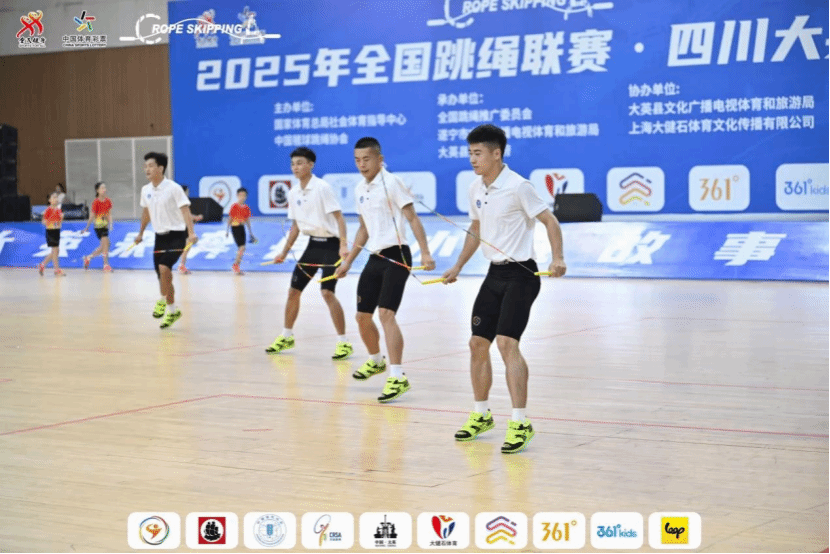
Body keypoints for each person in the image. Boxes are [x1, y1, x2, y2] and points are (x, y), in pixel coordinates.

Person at [441, 124, 566, 454]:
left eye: (478, 153)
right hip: (493, 274)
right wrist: (458, 266)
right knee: (477, 344)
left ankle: (521, 422)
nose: (472, 159)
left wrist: (558, 258)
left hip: (522, 275)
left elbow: (550, 221)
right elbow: (476, 228)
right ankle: (481, 415)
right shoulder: (476, 188)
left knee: (507, 344)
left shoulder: (518, 186)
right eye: (470, 153)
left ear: (497, 154)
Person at [333, 137, 436, 403]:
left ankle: (398, 376)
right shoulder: (360, 188)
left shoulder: (392, 183)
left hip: (397, 253)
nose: (361, 164)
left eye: (366, 159)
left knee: (386, 313)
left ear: (379, 159)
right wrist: (348, 261)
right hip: (375, 257)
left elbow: (412, 218)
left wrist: (425, 252)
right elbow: (364, 229)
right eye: (357, 160)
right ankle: (376, 360)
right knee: (362, 317)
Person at [266, 147, 353, 360]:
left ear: (311, 165)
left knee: (327, 293)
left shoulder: (322, 188)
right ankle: (287, 336)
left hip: (331, 246)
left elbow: (340, 218)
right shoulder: (294, 192)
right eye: (293, 164)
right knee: (293, 291)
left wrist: (343, 246)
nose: (295, 167)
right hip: (313, 246)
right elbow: (296, 226)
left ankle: (344, 342)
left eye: (300, 163)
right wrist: (284, 252)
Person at [135, 152, 198, 329]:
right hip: (160, 237)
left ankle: (162, 300)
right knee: (164, 277)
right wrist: (140, 233)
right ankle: (172, 311)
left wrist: (191, 233)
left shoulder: (174, 188)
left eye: (151, 166)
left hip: (177, 235)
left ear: (161, 168)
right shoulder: (146, 190)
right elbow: (146, 213)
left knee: (164, 268)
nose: (147, 169)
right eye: (145, 166)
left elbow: (185, 210)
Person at [82, 182, 113, 271]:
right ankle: (105, 264)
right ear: (97, 190)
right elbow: (92, 216)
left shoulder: (108, 201)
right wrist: (87, 227)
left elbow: (109, 214)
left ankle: (88, 257)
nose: (104, 190)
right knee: (105, 243)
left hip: (105, 226)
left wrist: (111, 224)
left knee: (106, 245)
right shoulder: (96, 202)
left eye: (105, 188)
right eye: (102, 188)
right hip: (99, 226)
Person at [226, 187, 256, 275]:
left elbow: (247, 220)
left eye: (244, 195)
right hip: (235, 228)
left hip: (242, 228)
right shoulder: (234, 206)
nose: (242, 197)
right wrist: (227, 230)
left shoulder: (246, 208)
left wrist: (250, 232)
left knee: (243, 247)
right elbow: (230, 218)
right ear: (237, 196)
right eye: (240, 195)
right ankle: (236, 265)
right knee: (242, 247)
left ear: (246, 197)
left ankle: (236, 265)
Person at [38, 191, 65, 277]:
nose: (55, 199)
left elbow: (59, 223)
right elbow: (43, 221)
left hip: (57, 231)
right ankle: (56, 270)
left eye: (56, 197)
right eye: (53, 197)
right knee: (55, 251)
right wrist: (50, 222)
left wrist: (61, 219)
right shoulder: (48, 210)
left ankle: (42, 264)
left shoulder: (59, 210)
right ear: (49, 200)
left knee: (56, 251)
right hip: (50, 232)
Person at [177, 185, 203, 274]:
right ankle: (181, 265)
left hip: (180, 226)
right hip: (183, 227)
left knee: (186, 246)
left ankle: (182, 265)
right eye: (187, 191)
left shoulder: (179, 200)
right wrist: (196, 217)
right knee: (187, 246)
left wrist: (194, 218)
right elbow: (185, 215)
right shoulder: (181, 201)